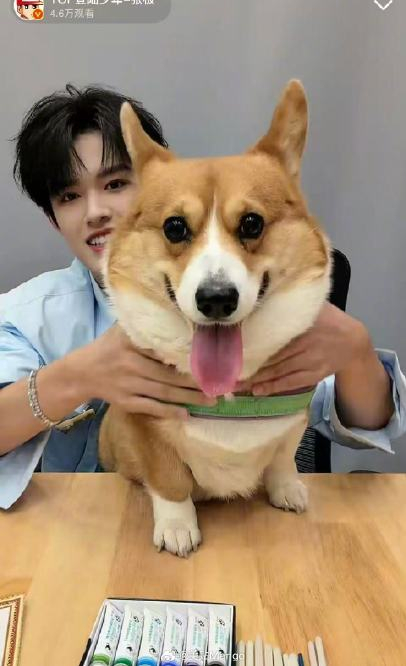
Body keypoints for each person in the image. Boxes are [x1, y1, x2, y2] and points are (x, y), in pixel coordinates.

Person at [0, 84, 405, 510]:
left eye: (116, 183)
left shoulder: (268, 301)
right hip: (90, 525)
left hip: (245, 524)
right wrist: (75, 379)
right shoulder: (28, 316)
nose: (95, 211)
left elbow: (364, 419)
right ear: (52, 217)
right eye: (69, 196)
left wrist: (356, 352)